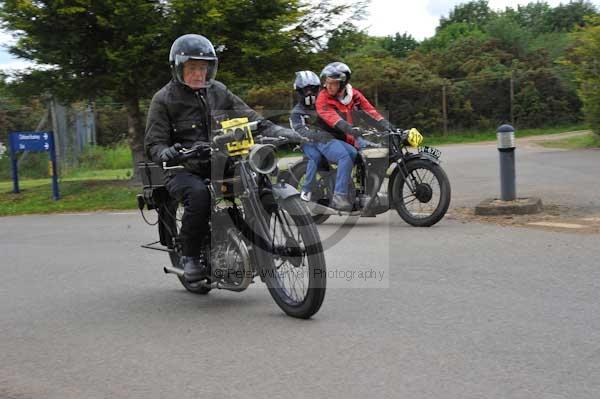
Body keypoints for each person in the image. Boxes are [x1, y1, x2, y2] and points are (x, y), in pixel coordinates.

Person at [144, 34, 303, 282]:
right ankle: (190, 257)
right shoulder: (163, 99)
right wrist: (166, 152)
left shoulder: (219, 91)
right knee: (199, 195)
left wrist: (278, 130)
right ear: (178, 67)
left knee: (259, 182)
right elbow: (154, 143)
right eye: (192, 68)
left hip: (221, 161)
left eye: (204, 68)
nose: (199, 74)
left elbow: (251, 117)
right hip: (183, 167)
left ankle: (256, 242)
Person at [289, 71, 357, 211]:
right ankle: (306, 191)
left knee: (352, 152)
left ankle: (341, 185)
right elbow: (298, 131)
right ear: (299, 91)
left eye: (313, 89)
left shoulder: (322, 105)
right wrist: (316, 135)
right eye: (305, 90)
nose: (309, 93)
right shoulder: (297, 112)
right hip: (308, 143)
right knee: (315, 157)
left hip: (326, 140)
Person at [315, 62, 422, 149]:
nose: (328, 86)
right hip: (331, 138)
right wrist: (356, 131)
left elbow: (371, 112)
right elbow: (337, 122)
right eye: (327, 82)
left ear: (343, 83)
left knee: (378, 152)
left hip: (352, 136)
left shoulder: (354, 95)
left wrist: (390, 128)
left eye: (333, 83)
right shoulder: (322, 98)